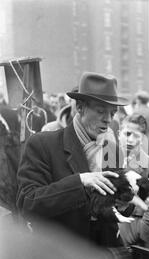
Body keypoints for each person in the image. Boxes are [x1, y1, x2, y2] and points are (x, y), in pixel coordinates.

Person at [17, 72, 129, 247]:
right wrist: (81, 181)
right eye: (100, 111)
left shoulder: (112, 150)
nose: (108, 119)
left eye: (113, 113)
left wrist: (124, 204)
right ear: (80, 107)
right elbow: (29, 203)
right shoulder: (43, 144)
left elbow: (110, 208)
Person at [118, 114, 149, 249]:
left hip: (135, 226)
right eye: (127, 134)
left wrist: (142, 231)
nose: (130, 140)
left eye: (136, 136)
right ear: (118, 133)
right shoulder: (107, 160)